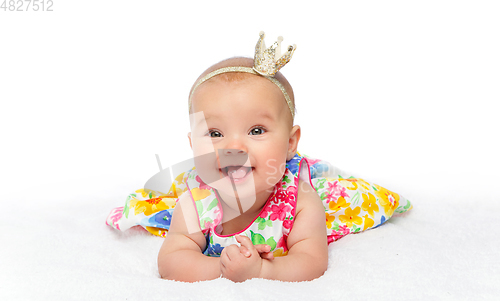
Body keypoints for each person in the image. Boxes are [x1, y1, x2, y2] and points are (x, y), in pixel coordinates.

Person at [106, 32, 412, 283]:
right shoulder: (196, 202)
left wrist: (264, 270)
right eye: (214, 134)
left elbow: (311, 261)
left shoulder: (300, 200)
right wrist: (223, 269)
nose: (234, 147)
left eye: (256, 130)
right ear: (192, 145)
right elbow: (172, 261)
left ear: (290, 142)